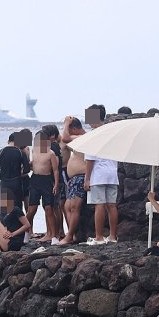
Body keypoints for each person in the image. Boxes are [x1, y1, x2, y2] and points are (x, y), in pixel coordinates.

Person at [84, 104, 119, 245]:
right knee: (112, 205)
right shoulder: (111, 132)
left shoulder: (93, 135)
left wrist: (87, 178)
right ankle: (112, 236)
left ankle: (98, 237)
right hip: (112, 172)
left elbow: (90, 159)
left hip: (98, 174)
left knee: (99, 205)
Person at [25, 129, 60, 243]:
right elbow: (33, 163)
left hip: (46, 181)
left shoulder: (51, 153)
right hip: (35, 180)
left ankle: (54, 236)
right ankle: (25, 233)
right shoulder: (34, 150)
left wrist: (55, 184)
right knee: (31, 209)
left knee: (48, 208)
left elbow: (55, 170)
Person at [58, 117, 87, 245]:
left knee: (74, 207)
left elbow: (64, 138)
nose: (68, 132)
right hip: (74, 178)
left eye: (70, 130)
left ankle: (69, 236)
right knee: (67, 206)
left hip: (80, 177)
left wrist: (66, 124)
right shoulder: (81, 137)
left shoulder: (81, 138)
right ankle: (72, 234)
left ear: (74, 129)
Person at [0, 188, 31, 253]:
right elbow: (3, 228)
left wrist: (13, 234)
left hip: (13, 241)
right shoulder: (3, 213)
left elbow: (27, 225)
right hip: (6, 240)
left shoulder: (16, 209)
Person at [0, 133, 30, 213]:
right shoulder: (20, 152)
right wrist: (20, 173)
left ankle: (5, 224)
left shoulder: (0, 152)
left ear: (8, 141)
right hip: (16, 183)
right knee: (18, 207)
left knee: (5, 208)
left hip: (4, 183)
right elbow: (27, 169)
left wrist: (0, 177)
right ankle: (19, 225)